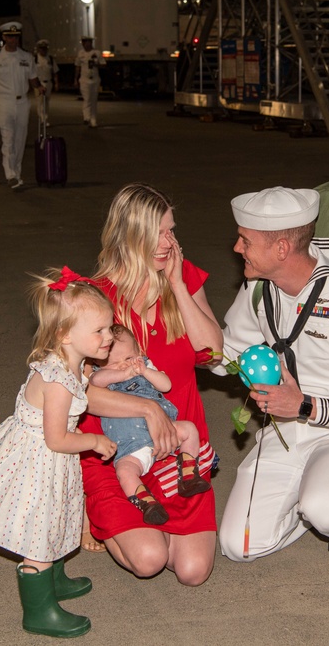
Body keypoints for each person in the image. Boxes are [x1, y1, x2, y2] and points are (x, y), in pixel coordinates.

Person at [214, 186, 329, 562]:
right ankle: (312, 503)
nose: (237, 249)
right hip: (287, 432)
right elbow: (224, 357)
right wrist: (183, 298)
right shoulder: (258, 290)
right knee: (239, 547)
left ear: (281, 249)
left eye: (245, 241)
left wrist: (306, 406)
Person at [0, 268, 118, 638]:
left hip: (51, 459)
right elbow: (56, 438)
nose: (109, 337)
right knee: (40, 528)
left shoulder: (74, 363)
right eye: (99, 331)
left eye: (109, 328)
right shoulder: (56, 381)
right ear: (65, 335)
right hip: (39, 460)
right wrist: (94, 441)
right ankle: (38, 610)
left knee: (59, 514)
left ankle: (54, 579)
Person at [80, 182, 223, 586]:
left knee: (193, 572)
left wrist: (177, 285)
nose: (170, 241)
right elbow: (79, 392)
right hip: (117, 449)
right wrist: (147, 408)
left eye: (172, 230)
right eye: (159, 232)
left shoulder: (184, 277)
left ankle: (149, 517)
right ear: (129, 236)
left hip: (180, 452)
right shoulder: (97, 298)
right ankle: (88, 505)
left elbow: (212, 351)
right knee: (149, 559)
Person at [89, 323, 211, 526]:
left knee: (189, 429)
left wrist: (145, 371)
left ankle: (189, 474)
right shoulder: (99, 375)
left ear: (139, 352)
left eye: (128, 358)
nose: (122, 365)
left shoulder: (145, 366)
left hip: (165, 431)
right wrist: (122, 374)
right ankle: (147, 503)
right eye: (113, 363)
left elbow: (166, 385)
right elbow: (97, 381)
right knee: (125, 471)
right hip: (131, 444)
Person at [0, 21, 43, 189]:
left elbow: (32, 78)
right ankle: (10, 174)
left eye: (15, 37)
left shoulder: (26, 57)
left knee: (19, 140)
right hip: (4, 102)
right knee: (8, 139)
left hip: (22, 102)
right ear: (3, 37)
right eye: (9, 36)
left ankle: (17, 172)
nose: (12, 40)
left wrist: (39, 86)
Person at [75, 36, 105, 128]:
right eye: (85, 43)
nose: (87, 45)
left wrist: (96, 64)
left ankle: (93, 120)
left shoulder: (97, 53)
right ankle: (86, 117)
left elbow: (103, 65)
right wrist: (75, 79)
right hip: (84, 79)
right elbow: (77, 66)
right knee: (87, 98)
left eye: (89, 43)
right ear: (83, 44)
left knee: (93, 100)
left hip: (95, 79)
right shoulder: (80, 54)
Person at [34, 39, 59, 127]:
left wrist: (56, 83)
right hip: (39, 83)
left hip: (48, 82)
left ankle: (45, 117)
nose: (43, 50)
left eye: (45, 49)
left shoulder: (50, 59)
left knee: (46, 101)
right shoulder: (35, 59)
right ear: (38, 49)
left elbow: (55, 72)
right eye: (41, 49)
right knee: (40, 101)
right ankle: (42, 119)